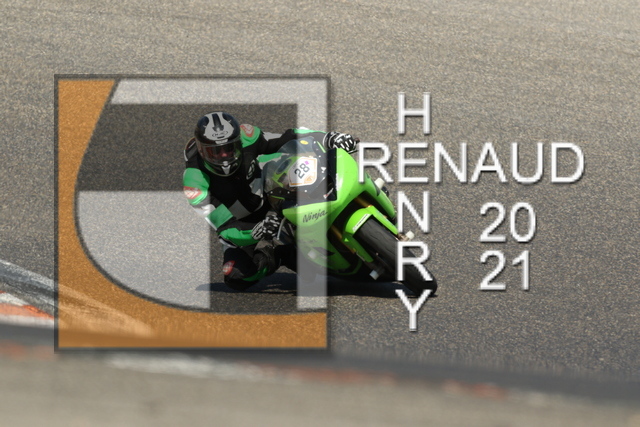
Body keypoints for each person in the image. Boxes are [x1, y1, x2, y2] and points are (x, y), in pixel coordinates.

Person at [183, 111, 359, 291]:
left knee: (297, 161)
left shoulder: (247, 135)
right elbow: (225, 228)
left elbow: (287, 137)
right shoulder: (195, 185)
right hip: (244, 225)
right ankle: (282, 254)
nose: (224, 156)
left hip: (270, 193)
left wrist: (328, 138)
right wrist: (254, 233)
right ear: (202, 150)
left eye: (229, 148)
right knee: (235, 275)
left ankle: (349, 195)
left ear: (238, 141)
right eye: (215, 151)